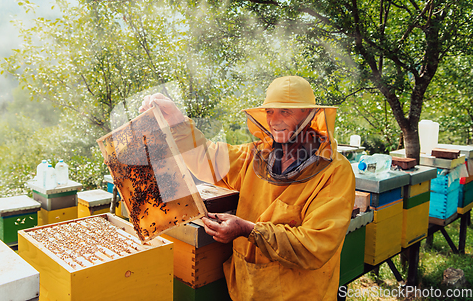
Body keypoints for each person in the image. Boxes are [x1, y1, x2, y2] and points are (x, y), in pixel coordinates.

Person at [140, 76, 355, 301]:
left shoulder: (336, 172)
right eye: (270, 112)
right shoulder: (257, 155)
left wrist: (248, 229)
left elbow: (315, 245)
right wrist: (176, 122)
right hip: (246, 290)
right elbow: (209, 158)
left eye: (285, 112)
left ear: (309, 115)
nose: (274, 120)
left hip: (301, 294)